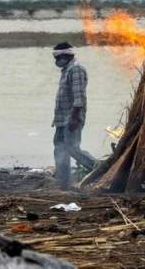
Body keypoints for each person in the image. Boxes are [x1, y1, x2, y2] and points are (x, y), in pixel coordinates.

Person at [51, 42, 96, 189]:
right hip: (62, 119)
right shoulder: (67, 70)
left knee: (72, 148)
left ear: (67, 55)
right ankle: (63, 182)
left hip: (71, 118)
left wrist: (74, 118)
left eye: (58, 57)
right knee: (59, 148)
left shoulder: (76, 69)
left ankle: (98, 169)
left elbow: (79, 97)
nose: (56, 61)